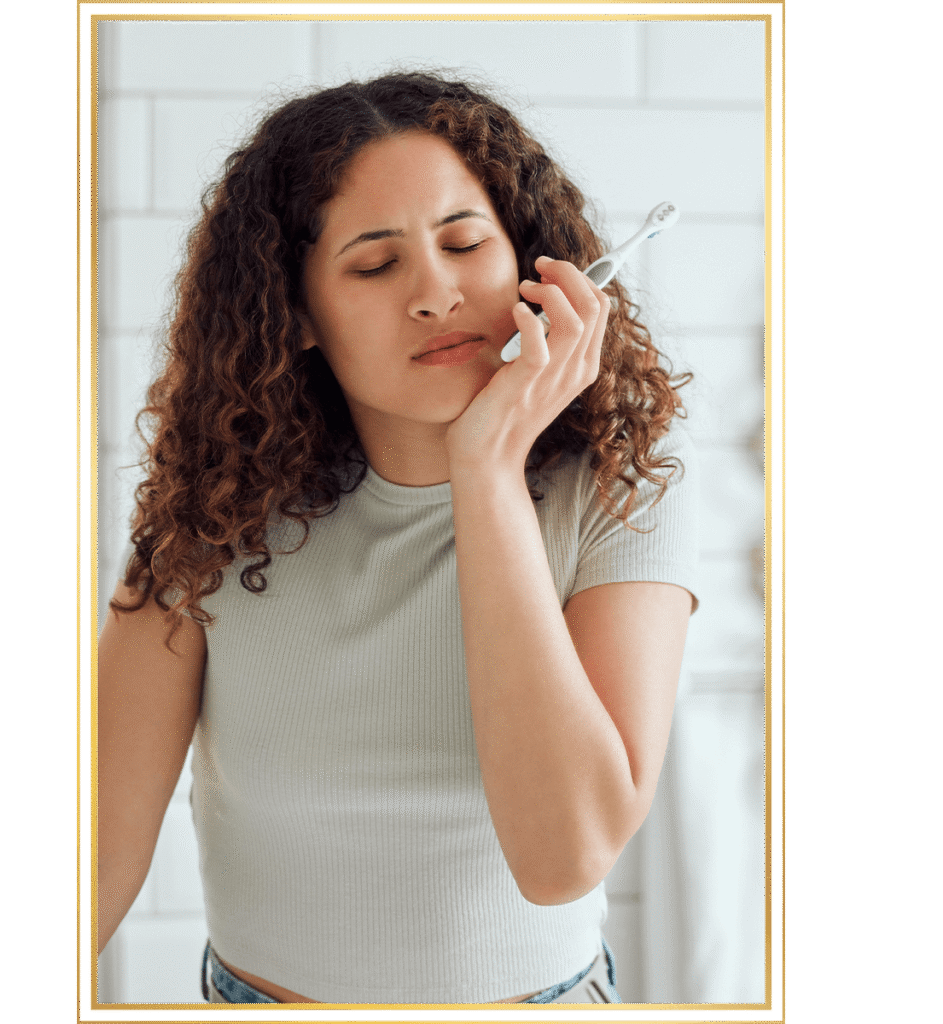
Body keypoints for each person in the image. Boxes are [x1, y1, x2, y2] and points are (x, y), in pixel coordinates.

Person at [96, 70, 698, 1005]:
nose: (436, 293)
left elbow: (564, 856)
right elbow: (86, 861)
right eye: (376, 265)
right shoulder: (214, 510)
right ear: (295, 312)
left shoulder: (620, 488)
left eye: (465, 243)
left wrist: (487, 468)